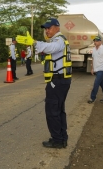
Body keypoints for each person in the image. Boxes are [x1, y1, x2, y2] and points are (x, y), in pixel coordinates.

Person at [16, 18, 72, 149]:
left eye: (49, 27)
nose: (47, 30)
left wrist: (34, 43)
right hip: (60, 80)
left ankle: (57, 140)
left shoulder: (59, 40)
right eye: (45, 28)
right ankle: (62, 138)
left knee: (53, 111)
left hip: (57, 81)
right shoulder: (57, 40)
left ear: (57, 27)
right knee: (59, 111)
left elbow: (51, 48)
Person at [88, 36, 103, 104]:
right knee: (102, 84)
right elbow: (93, 59)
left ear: (100, 42)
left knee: (96, 83)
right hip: (96, 69)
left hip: (102, 69)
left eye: (97, 41)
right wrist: (92, 68)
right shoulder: (94, 49)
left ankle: (92, 98)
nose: (95, 42)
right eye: (94, 41)